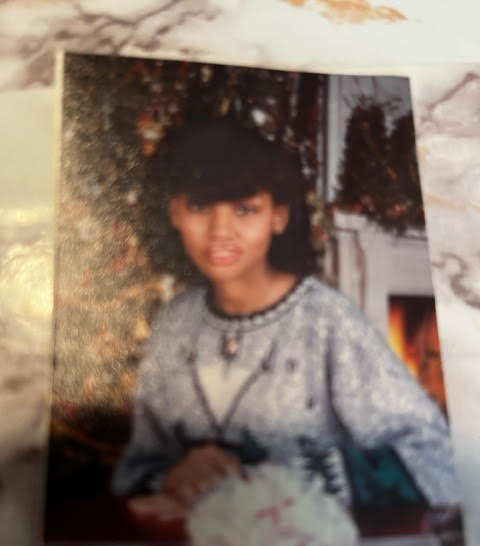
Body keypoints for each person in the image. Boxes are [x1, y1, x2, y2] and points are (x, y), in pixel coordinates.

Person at [112, 119, 459, 524]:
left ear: (278, 216)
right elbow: (138, 468)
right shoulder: (175, 321)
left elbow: (437, 460)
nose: (220, 231)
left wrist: (280, 479)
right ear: (174, 212)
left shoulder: (327, 320)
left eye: (245, 209)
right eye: (200, 207)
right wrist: (173, 477)